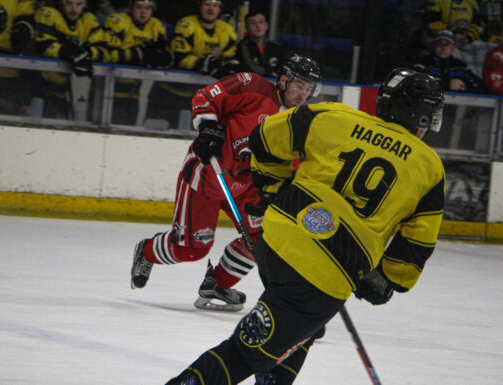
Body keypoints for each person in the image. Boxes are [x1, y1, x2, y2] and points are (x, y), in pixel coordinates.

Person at [165, 67, 446, 385]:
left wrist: (272, 184)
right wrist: (386, 279)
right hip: (326, 276)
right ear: (422, 118)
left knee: (296, 329)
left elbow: (266, 137)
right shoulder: (429, 167)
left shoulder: (335, 116)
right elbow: (416, 245)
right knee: (247, 351)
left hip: (277, 240)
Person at [131, 54, 322, 312]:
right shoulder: (252, 86)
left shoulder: (299, 122)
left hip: (248, 186)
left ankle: (217, 284)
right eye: (299, 85)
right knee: (190, 250)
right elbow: (207, 96)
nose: (302, 94)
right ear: (284, 80)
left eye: (308, 89)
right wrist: (208, 127)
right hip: (209, 173)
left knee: (264, 241)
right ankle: (148, 251)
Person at [33, 0, 107, 118]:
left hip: (62, 90)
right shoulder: (48, 14)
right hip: (37, 86)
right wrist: (72, 53)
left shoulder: (88, 19)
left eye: (79, 4)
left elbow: (103, 51)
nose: (74, 9)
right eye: (69, 4)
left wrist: (82, 53)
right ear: (62, 3)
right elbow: (44, 45)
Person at [170, 0, 239, 78]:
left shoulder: (227, 30)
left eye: (215, 5)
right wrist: (199, 63)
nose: (210, 8)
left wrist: (227, 65)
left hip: (211, 85)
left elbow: (229, 59)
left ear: (220, 10)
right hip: (181, 83)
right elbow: (179, 58)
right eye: (207, 4)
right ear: (200, 7)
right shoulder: (186, 25)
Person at [102, 0, 173, 68]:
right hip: (116, 75)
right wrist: (139, 54)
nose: (143, 12)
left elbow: (169, 58)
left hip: (144, 78)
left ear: (152, 11)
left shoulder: (157, 25)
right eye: (138, 7)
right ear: (130, 8)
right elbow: (109, 55)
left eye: (147, 8)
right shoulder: (117, 21)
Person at [413, 30, 483, 92]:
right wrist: (447, 84)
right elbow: (415, 82)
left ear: (453, 47)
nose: (443, 47)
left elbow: (479, 86)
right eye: (439, 43)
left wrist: (464, 86)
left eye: (447, 44)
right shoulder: (423, 63)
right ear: (434, 45)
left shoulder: (460, 66)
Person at [235, 9, 288, 78]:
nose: (258, 26)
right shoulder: (242, 46)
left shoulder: (276, 47)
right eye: (253, 23)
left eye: (261, 22)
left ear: (267, 25)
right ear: (246, 27)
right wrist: (270, 73)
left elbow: (285, 68)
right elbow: (250, 67)